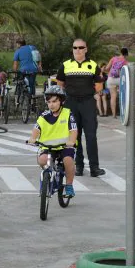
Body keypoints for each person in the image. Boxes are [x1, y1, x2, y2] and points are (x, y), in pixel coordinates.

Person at [56, 39, 105, 177]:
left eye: (80, 47)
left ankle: (94, 168)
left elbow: (99, 84)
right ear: (72, 49)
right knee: (74, 136)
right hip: (71, 103)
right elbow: (60, 83)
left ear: (86, 49)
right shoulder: (65, 65)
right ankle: (78, 167)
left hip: (88, 103)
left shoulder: (93, 65)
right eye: (75, 47)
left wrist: (90, 93)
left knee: (91, 136)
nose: (77, 50)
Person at [27, 86, 78, 198]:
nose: (51, 104)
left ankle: (69, 186)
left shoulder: (67, 114)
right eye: (49, 102)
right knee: (42, 160)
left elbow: (73, 130)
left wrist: (72, 141)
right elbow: (37, 128)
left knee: (68, 160)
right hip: (49, 147)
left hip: (65, 146)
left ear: (61, 101)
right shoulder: (44, 116)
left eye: (55, 101)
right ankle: (47, 180)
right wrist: (33, 138)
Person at [104, 47, 129, 119]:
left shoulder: (113, 58)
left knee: (113, 97)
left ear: (121, 52)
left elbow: (107, 68)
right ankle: (124, 113)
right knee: (123, 95)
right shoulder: (125, 61)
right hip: (120, 79)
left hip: (111, 79)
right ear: (126, 54)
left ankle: (114, 115)